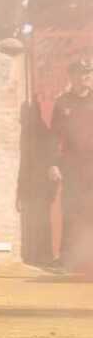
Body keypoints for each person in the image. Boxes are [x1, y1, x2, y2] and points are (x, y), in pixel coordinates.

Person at [48, 57, 93, 271]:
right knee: (71, 210)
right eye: (79, 74)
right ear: (71, 77)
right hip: (72, 165)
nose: (83, 78)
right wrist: (53, 164)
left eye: (87, 74)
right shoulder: (62, 103)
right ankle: (65, 259)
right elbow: (55, 137)